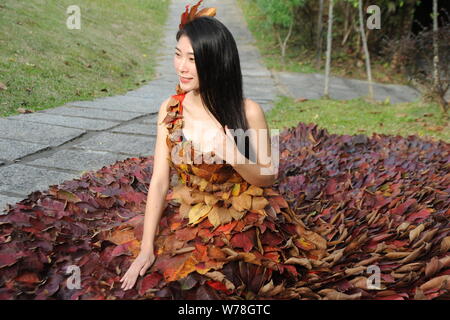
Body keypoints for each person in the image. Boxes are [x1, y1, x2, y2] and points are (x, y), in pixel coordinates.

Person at [118, 1, 326, 299]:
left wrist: (233, 154)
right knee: (162, 274)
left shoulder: (247, 111)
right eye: (178, 55)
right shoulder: (170, 109)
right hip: (192, 209)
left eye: (192, 59)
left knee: (222, 282)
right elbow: (160, 181)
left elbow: (268, 177)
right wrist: (145, 249)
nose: (182, 66)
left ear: (216, 62)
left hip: (241, 212)